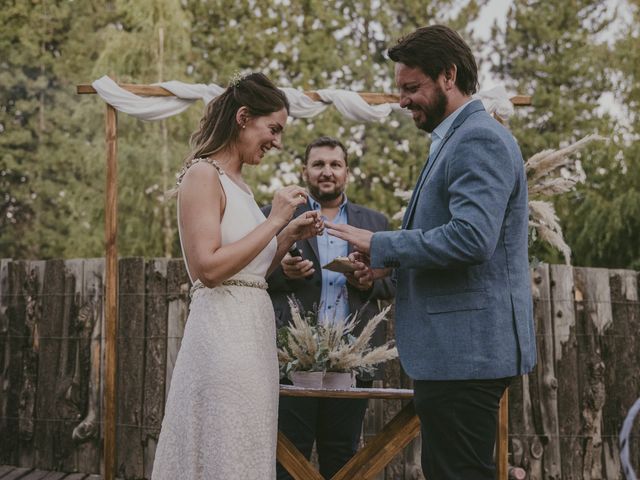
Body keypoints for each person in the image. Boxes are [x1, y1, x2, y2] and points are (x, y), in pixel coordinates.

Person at [326, 25, 537, 480]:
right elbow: (456, 248)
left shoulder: (478, 139)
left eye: (411, 88)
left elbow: (471, 238)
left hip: (468, 352)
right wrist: (385, 271)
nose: (402, 100)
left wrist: (379, 241)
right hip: (455, 354)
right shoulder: (452, 140)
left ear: (448, 75)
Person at [152, 73, 324, 480]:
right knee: (223, 449)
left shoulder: (242, 187)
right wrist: (277, 219)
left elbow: (249, 272)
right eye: (274, 129)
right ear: (244, 117)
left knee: (246, 451)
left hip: (253, 339)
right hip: (221, 341)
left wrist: (285, 236)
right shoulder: (203, 175)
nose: (277, 142)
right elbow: (207, 269)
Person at [263, 136, 394, 480]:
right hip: (291, 357)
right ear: (305, 171)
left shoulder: (375, 222)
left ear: (347, 173)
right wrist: (283, 273)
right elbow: (250, 271)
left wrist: (368, 280)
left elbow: (395, 280)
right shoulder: (275, 216)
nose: (327, 172)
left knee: (344, 455)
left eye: (335, 165)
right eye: (318, 164)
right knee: (289, 456)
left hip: (353, 358)